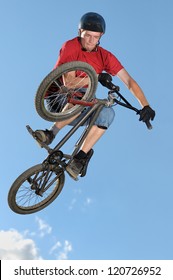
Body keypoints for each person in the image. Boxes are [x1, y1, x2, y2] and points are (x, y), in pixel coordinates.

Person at [35, 12, 155, 180]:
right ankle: (50, 133)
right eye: (87, 36)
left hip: (79, 103)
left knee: (107, 113)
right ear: (79, 33)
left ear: (101, 36)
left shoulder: (105, 56)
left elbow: (129, 81)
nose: (91, 41)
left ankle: (80, 159)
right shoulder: (71, 46)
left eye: (95, 37)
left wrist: (145, 105)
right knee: (82, 97)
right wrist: (96, 77)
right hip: (58, 98)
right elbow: (69, 83)